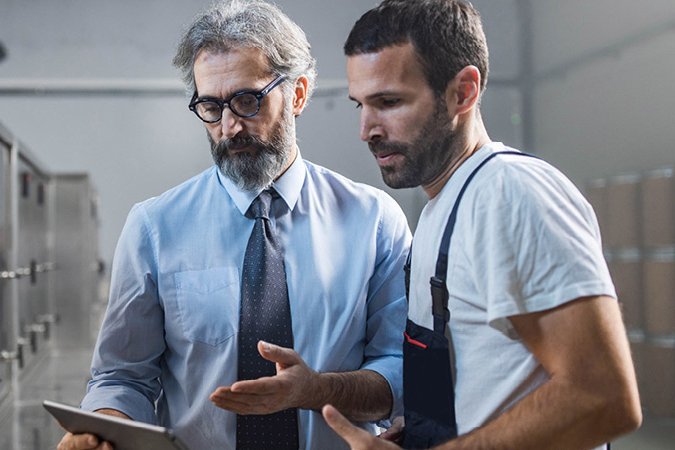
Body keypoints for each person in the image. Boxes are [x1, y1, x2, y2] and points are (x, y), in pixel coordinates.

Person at [57, 1, 411, 449]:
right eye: (210, 105)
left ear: (298, 93)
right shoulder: (155, 227)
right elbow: (123, 376)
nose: (229, 126)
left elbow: (399, 369)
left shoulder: (373, 221)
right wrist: (101, 426)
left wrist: (321, 390)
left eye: (247, 101)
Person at [323, 0, 643, 449]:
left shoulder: (509, 194)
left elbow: (603, 397)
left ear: (463, 92)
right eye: (360, 104)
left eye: (389, 102)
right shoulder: (444, 205)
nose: (366, 129)